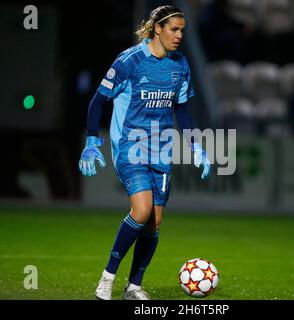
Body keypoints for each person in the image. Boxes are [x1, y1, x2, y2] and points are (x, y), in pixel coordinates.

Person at [78, 5, 211, 300]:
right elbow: (97, 101)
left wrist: (196, 146)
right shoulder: (130, 61)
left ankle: (134, 287)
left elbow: (182, 109)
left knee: (154, 223)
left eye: (182, 30)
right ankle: (107, 279)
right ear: (157, 29)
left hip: (161, 151)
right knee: (141, 211)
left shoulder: (180, 65)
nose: (179, 36)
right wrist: (91, 142)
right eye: (174, 29)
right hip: (130, 146)